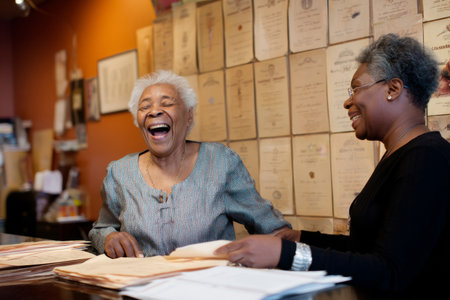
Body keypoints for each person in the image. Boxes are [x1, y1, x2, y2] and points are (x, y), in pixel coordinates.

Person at [215, 34, 450, 294]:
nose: (348, 102)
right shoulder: (400, 155)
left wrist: (287, 254)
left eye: (357, 89)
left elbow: (388, 271)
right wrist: (300, 239)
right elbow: (367, 248)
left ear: (393, 89)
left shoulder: (427, 159)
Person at [89, 70, 292, 258]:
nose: (154, 111)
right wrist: (108, 238)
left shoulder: (221, 162)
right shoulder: (119, 173)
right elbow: (102, 228)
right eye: (145, 107)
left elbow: (274, 231)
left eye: (166, 103)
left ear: (188, 116)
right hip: (140, 290)